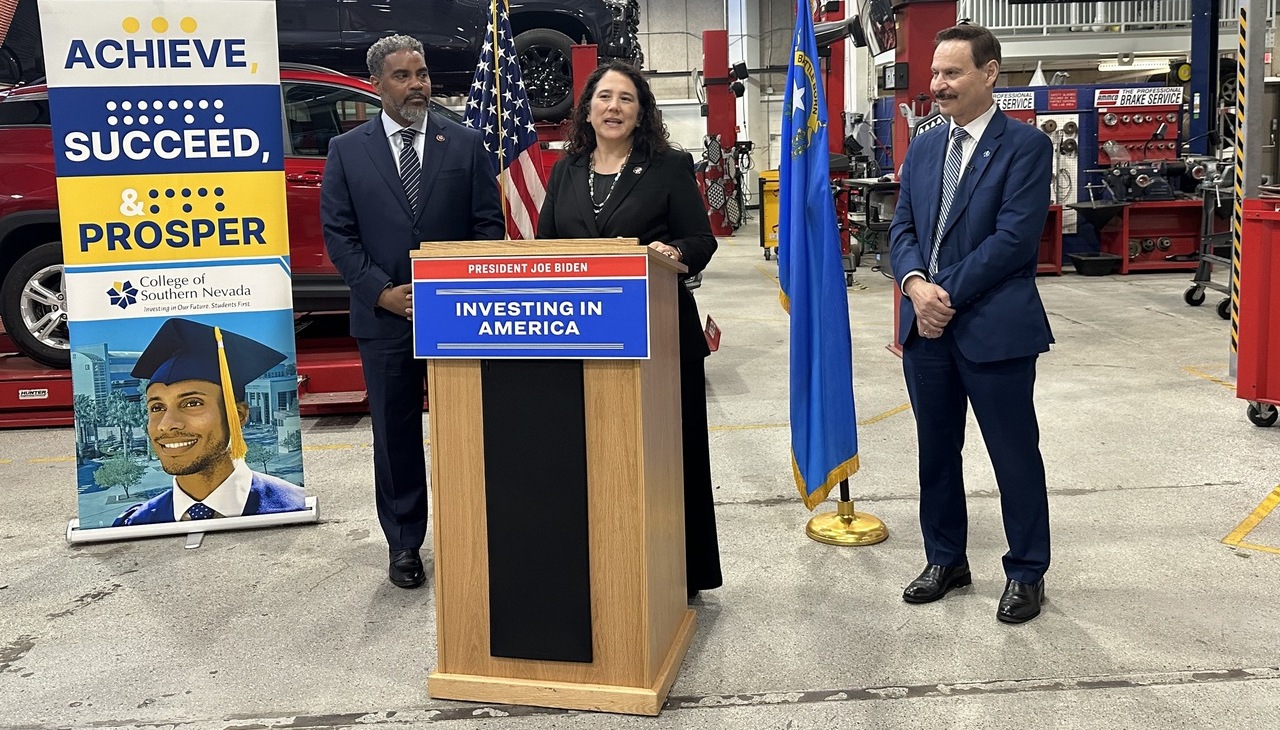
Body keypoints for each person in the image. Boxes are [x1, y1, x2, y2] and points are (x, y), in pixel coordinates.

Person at [321, 35, 504, 588]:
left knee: (469, 430)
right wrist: (381, 292)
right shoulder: (347, 151)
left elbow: (487, 227)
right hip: (384, 320)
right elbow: (340, 235)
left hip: (461, 320)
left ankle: (478, 533)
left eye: (421, 73)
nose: (417, 84)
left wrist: (465, 291)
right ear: (377, 84)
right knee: (395, 435)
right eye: (402, 76)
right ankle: (405, 545)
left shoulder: (466, 143)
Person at [536, 61, 722, 600]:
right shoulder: (566, 171)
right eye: (604, 97)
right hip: (581, 340)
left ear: (641, 112)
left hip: (660, 338)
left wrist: (675, 253)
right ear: (587, 109)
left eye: (626, 99)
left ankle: (680, 572)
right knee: (598, 459)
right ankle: (606, 566)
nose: (613, 107)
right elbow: (547, 245)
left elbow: (700, 239)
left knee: (671, 458)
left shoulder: (667, 166)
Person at [888, 24, 1054, 624]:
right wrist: (912, 285)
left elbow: (1013, 241)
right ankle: (946, 559)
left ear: (990, 74)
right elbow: (902, 227)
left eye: (952, 73)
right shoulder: (927, 145)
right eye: (935, 74)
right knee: (936, 452)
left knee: (1013, 454)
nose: (938, 85)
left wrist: (941, 294)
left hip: (992, 327)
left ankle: (1027, 570)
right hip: (926, 331)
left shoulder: (1027, 148)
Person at [113, 318, 306, 526]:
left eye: (192, 403)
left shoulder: (291, 507)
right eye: (157, 408)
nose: (166, 424)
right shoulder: (135, 524)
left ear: (238, 415)